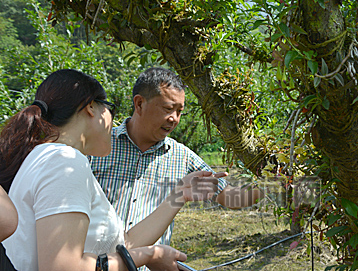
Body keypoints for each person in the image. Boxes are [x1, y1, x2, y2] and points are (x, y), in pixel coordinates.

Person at [0, 69, 225, 271]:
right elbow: (63, 267)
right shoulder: (66, 161)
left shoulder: (44, 157)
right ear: (90, 107)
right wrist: (147, 255)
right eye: (110, 109)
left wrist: (178, 196)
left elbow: (121, 245)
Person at [90, 67, 263, 246]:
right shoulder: (96, 146)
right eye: (168, 108)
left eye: (179, 112)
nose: (174, 119)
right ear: (139, 104)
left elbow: (228, 196)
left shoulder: (181, 157)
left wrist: (273, 183)